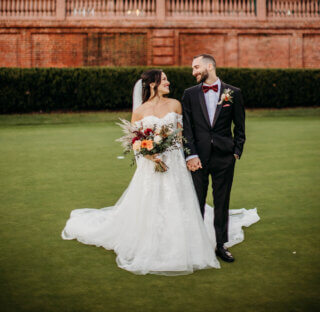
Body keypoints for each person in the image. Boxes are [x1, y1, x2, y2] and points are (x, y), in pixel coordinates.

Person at [61, 68, 259, 275]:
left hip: (175, 164)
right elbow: (135, 140)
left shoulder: (175, 104)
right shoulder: (139, 111)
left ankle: (183, 242)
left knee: (179, 201)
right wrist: (148, 154)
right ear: (153, 84)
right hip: (151, 167)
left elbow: (184, 136)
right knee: (151, 202)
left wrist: (190, 157)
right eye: (164, 79)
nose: (168, 82)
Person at [182, 54, 246, 262]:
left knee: (222, 202)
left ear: (210, 66)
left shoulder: (233, 92)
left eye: (196, 67)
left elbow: (240, 125)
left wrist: (236, 150)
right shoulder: (189, 94)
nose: (194, 72)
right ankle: (196, 244)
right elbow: (187, 128)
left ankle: (220, 244)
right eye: (193, 69)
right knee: (197, 202)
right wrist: (190, 154)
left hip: (224, 157)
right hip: (197, 158)